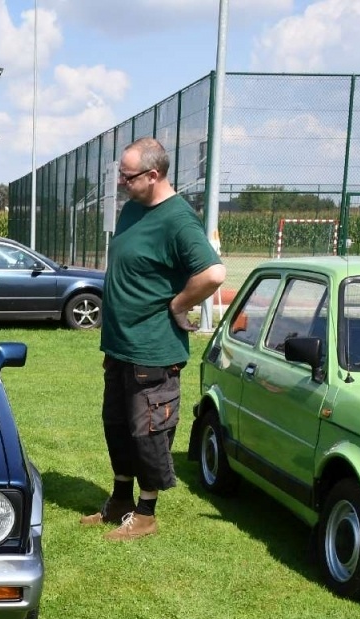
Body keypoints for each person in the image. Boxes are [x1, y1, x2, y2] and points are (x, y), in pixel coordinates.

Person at [83, 137, 226, 541]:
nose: (122, 185)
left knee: (148, 432)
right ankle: (120, 500)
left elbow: (213, 274)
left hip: (153, 350)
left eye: (128, 178)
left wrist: (179, 305)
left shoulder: (178, 219)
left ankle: (145, 515)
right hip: (121, 347)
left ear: (153, 174)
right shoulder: (133, 209)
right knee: (117, 425)